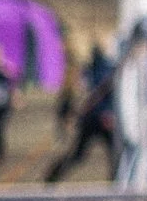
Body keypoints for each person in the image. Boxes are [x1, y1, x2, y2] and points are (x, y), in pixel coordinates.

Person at [47, 43, 119, 184]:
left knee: (79, 155)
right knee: (114, 154)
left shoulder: (87, 71)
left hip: (89, 119)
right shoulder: (109, 70)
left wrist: (71, 116)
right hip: (102, 120)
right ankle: (118, 183)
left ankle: (52, 176)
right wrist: (107, 112)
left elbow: (75, 96)